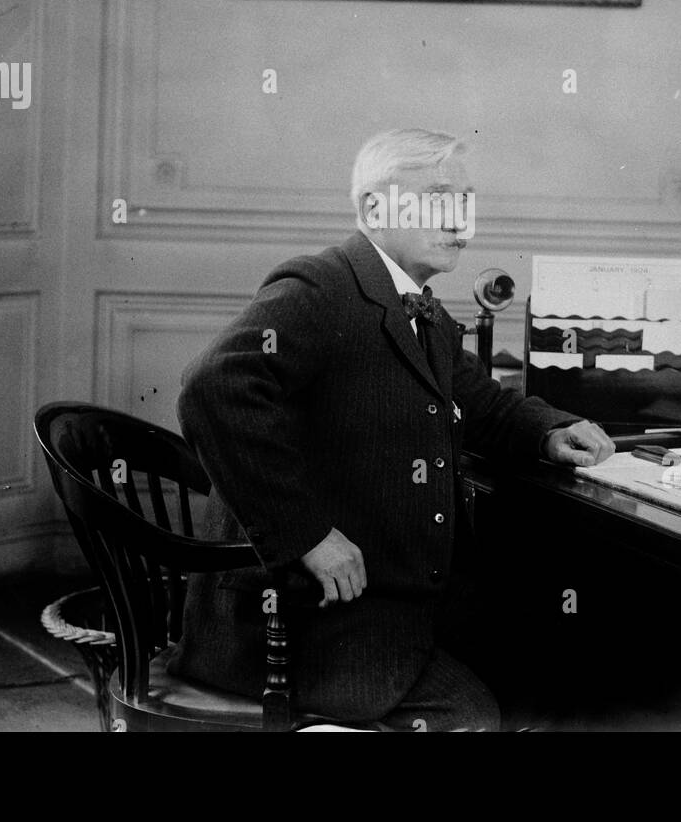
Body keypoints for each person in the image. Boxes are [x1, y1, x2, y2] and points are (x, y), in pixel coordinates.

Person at [169, 129, 614, 729]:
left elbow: (474, 397)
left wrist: (549, 430)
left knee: (556, 662)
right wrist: (307, 535)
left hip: (394, 601)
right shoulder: (322, 288)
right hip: (303, 620)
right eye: (439, 200)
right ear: (375, 209)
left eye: (466, 203)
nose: (461, 224)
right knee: (474, 716)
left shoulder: (417, 306)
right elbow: (211, 389)